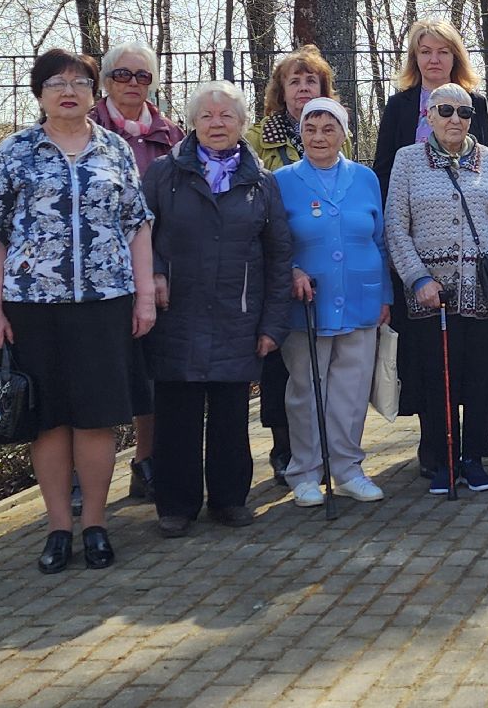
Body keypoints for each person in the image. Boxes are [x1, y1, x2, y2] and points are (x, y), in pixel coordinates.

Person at [0, 48, 156, 574]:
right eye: (56, 82)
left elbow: (137, 224)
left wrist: (144, 295)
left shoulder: (116, 151)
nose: (68, 90)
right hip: (32, 307)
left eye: (80, 81)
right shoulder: (14, 152)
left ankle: (96, 525)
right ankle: (58, 528)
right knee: (49, 422)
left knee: (97, 420)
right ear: (39, 93)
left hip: (104, 305)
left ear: (94, 93)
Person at [144, 80, 293, 537]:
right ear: (192, 122)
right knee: (177, 415)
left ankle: (229, 500)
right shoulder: (164, 175)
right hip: (177, 313)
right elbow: (137, 236)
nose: (216, 124)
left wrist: (272, 323)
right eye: (207, 115)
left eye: (226, 116)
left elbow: (278, 255)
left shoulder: (261, 182)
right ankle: (175, 505)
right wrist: (153, 274)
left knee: (231, 415)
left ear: (242, 123)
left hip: (237, 314)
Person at [385, 83, 488, 496]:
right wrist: (418, 279)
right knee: (438, 380)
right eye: (445, 111)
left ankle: (474, 459)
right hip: (434, 296)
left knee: (483, 380)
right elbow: (396, 226)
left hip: (487, 293)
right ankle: (444, 459)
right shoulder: (408, 160)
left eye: (463, 113)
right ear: (428, 115)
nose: (454, 120)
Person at [373, 19, 488, 478]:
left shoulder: (475, 103)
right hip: (418, 250)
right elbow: (385, 170)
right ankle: (435, 450)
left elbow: (487, 165)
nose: (434, 59)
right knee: (429, 360)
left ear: (455, 57)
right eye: (425, 51)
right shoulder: (400, 106)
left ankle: (472, 453)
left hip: (470, 255)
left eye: (443, 51)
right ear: (415, 58)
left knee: (472, 359)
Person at [274, 97, 392, 506]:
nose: (320, 137)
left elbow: (380, 240)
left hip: (361, 298)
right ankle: (304, 472)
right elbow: (273, 241)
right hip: (307, 303)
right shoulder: (282, 179)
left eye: (329, 129)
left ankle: (347, 469)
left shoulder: (365, 178)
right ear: (301, 133)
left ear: (344, 133)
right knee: (306, 388)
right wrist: (290, 271)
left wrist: (385, 296)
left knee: (352, 390)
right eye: (311, 129)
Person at [88, 41, 185, 502]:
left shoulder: (172, 135)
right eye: (122, 75)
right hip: (93, 276)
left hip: (156, 271)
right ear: (105, 81)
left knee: (153, 375)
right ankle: (81, 476)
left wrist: (162, 269)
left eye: (142, 76)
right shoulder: (83, 128)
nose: (132, 83)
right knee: (95, 376)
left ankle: (146, 461)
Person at [245, 45, 345, 485]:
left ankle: (323, 447)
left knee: (319, 367)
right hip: (275, 267)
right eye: (295, 81)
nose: (303, 88)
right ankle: (284, 448)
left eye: (312, 82)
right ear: (280, 91)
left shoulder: (333, 133)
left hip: (325, 273)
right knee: (279, 367)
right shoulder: (256, 141)